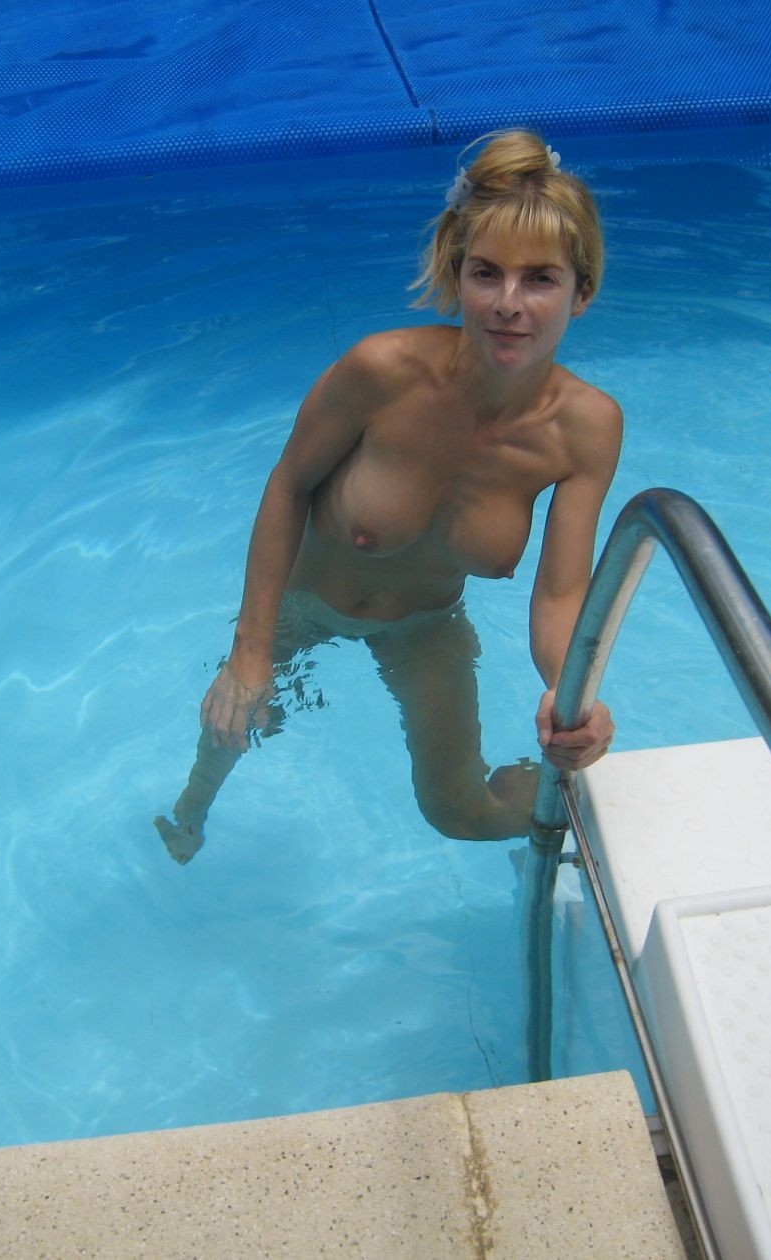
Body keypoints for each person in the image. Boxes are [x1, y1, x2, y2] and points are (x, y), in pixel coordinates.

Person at [156, 130, 622, 865]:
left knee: (458, 813)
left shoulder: (587, 428)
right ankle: (190, 813)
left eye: (540, 279)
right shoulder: (381, 372)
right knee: (231, 725)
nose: (509, 304)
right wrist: (250, 649)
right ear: (456, 274)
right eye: (486, 273)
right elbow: (288, 486)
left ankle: (577, 813)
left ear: (582, 293)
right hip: (303, 604)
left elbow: (562, 594)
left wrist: (573, 698)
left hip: (425, 626)